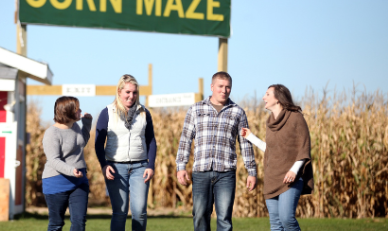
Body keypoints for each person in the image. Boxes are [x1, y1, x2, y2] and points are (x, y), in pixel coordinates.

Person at [176, 72, 257, 231]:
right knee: (199, 216)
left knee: (225, 218)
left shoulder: (237, 112)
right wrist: (181, 166)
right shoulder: (196, 109)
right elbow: (185, 139)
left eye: (228, 87)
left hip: (226, 173)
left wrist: (252, 171)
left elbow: (245, 143)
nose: (224, 90)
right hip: (201, 172)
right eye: (220, 86)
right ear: (212, 87)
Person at [241, 85, 313, 231]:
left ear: (278, 98)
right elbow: (271, 150)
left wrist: (294, 170)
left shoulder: (296, 117)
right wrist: (251, 137)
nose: (263, 97)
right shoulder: (270, 122)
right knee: (275, 224)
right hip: (272, 178)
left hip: (290, 178)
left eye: (267, 94)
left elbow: (304, 147)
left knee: (287, 219)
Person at [94, 75, 156, 231]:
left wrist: (151, 165)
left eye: (134, 92)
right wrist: (104, 165)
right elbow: (98, 143)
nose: (131, 96)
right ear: (119, 91)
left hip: (140, 167)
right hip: (115, 168)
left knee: (140, 212)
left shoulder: (144, 113)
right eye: (128, 92)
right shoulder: (107, 112)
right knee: (120, 212)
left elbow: (151, 141)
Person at [42, 96, 92, 231]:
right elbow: (53, 160)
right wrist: (71, 170)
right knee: (56, 224)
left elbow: (80, 143)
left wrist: (87, 124)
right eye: (77, 109)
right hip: (56, 182)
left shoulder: (75, 126)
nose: (80, 110)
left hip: (79, 181)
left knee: (79, 223)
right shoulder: (52, 133)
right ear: (67, 111)